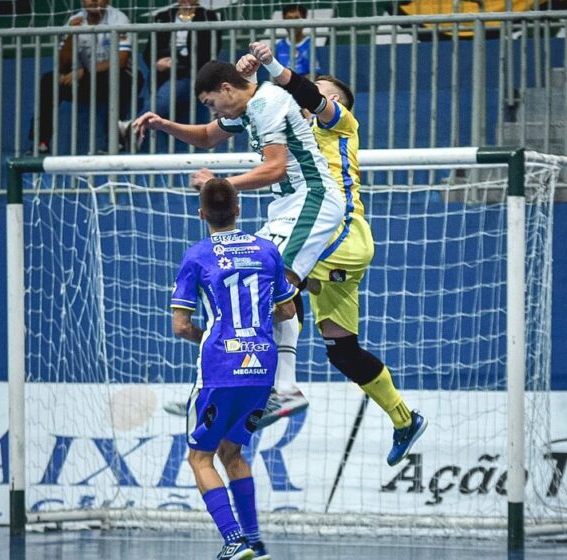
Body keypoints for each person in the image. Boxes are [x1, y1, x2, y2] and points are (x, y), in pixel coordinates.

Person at [235, 42, 427, 467]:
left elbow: (303, 94)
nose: (300, 95)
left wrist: (273, 66)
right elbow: (242, 114)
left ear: (332, 99)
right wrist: (244, 77)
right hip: (332, 243)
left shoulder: (340, 123)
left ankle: (276, 389)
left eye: (315, 90)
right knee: (342, 350)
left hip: (339, 232)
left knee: (273, 279)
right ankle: (404, 418)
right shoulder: (293, 133)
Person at [133, 59, 347, 425]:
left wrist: (219, 186)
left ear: (227, 89)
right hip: (286, 206)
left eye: (211, 102)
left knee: (267, 284)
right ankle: (240, 388)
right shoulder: (248, 109)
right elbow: (205, 136)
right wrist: (163, 124)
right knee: (245, 281)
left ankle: (286, 390)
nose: (212, 110)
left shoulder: (267, 103)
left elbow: (275, 168)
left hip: (312, 200)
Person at [172, 177, 297, 560]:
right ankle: (255, 542)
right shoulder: (267, 251)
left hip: (221, 367)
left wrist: (211, 336)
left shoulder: (196, 256)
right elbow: (288, 310)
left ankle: (233, 539)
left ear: (202, 214)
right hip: (262, 365)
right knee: (233, 453)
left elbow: (180, 326)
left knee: (199, 457)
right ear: (239, 209)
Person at [28, 0, 143, 154]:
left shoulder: (119, 19)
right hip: (87, 78)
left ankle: (115, 141)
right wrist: (72, 35)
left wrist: (86, 71)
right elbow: (62, 65)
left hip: (121, 76)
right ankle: (40, 142)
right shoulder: (74, 21)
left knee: (118, 79)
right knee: (49, 81)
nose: (94, 0)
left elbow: (120, 61)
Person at [145, 0, 220, 133]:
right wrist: (158, 62)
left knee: (165, 97)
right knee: (154, 94)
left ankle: (133, 126)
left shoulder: (209, 16)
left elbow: (207, 53)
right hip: (162, 71)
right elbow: (148, 51)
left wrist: (178, 62)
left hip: (190, 72)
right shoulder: (163, 16)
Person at [275, 3, 319, 76]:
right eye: (289, 19)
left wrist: (297, 83)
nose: (293, 23)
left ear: (304, 19)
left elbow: (316, 73)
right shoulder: (279, 46)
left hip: (304, 85)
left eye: (296, 18)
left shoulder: (310, 45)